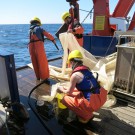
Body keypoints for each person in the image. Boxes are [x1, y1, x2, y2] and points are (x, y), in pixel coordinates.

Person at [58, 50, 107, 123]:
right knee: (76, 91)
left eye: (70, 64)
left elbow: (69, 92)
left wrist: (61, 89)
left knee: (65, 99)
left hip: (92, 103)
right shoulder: (87, 69)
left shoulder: (75, 75)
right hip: (101, 97)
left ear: (72, 62)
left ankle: (86, 116)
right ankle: (87, 109)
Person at [29, 17, 56, 81]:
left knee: (34, 61)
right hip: (39, 46)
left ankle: (38, 77)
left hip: (31, 47)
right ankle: (44, 77)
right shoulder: (39, 28)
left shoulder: (30, 30)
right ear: (38, 22)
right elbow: (48, 35)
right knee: (42, 62)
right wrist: (53, 39)